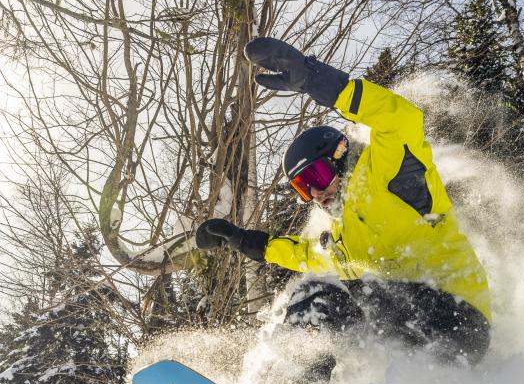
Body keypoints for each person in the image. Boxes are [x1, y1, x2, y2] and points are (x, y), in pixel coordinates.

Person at [196, 37, 492, 366]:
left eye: (318, 176)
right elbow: (304, 254)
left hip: (458, 316)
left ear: (340, 156)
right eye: (304, 187)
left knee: (325, 296)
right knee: (325, 307)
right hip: (409, 324)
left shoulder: (386, 169)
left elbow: (400, 119)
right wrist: (242, 240)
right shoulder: (343, 239)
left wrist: (316, 81)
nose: (316, 194)